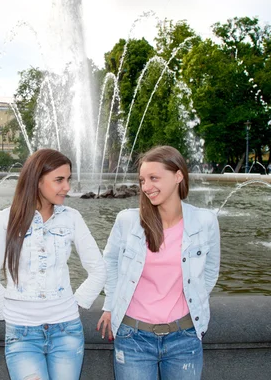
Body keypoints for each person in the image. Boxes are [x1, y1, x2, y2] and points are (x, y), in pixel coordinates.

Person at [0, 149, 106, 380]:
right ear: (37, 181)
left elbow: (98, 269)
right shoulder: (4, 220)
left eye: (68, 179)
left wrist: (74, 304)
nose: (67, 187)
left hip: (67, 330)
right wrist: (10, 315)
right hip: (22, 335)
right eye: (59, 180)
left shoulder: (72, 218)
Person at [97, 145, 220, 380]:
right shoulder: (128, 220)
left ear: (178, 176)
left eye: (154, 178)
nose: (146, 187)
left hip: (184, 336)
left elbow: (211, 270)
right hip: (133, 337)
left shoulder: (205, 221)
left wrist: (196, 297)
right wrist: (111, 304)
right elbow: (110, 263)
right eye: (143, 180)